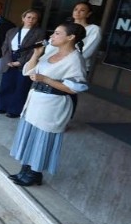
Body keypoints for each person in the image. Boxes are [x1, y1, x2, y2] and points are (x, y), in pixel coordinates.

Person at [9, 22, 88, 186]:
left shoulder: (75, 59)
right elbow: (28, 72)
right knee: (30, 134)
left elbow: (75, 88)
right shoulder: (50, 53)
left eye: (57, 33)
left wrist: (46, 79)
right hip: (35, 101)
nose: (52, 36)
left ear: (71, 37)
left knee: (42, 138)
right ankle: (25, 169)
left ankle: (34, 174)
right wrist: (36, 54)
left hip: (53, 104)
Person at [0, 10, 45, 118]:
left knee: (21, 86)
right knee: (6, 84)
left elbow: (35, 50)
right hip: (9, 59)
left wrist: (20, 62)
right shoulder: (12, 31)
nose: (30, 20)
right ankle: (2, 106)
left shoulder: (39, 33)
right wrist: (8, 60)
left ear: (37, 20)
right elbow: (5, 46)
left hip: (27, 60)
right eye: (28, 17)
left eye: (34, 18)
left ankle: (14, 110)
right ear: (23, 18)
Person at [71, 1, 102, 74]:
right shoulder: (66, 27)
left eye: (82, 10)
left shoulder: (94, 29)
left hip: (76, 68)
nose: (77, 12)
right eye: (75, 9)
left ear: (88, 14)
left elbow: (86, 52)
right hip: (56, 65)